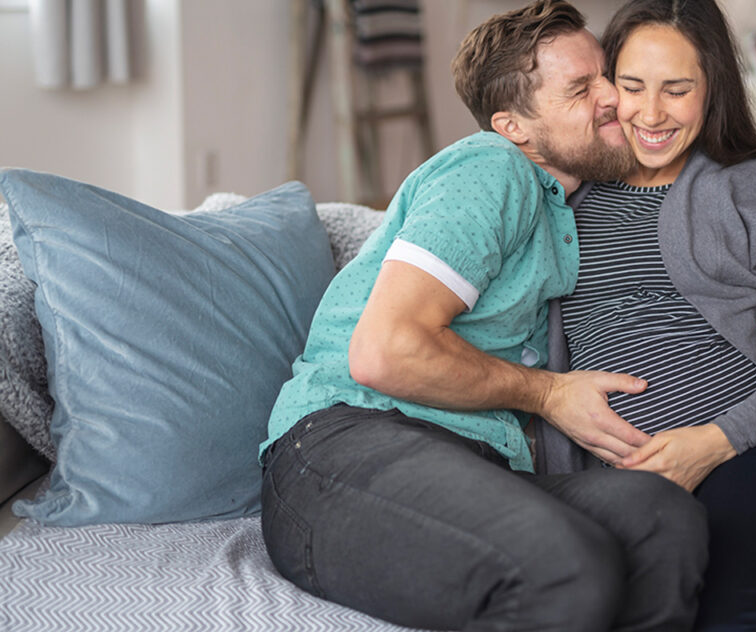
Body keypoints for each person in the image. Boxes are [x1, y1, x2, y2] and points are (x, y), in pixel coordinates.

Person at [259, 2, 719, 630]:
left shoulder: (580, 200)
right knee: (565, 565)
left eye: (607, 74)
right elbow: (385, 351)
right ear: (515, 127)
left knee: (662, 518)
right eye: (582, 88)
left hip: (476, 462)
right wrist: (550, 394)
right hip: (345, 446)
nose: (616, 97)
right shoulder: (490, 168)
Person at [539, 0, 756, 629]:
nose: (651, 114)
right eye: (632, 87)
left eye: (677, 89)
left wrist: (709, 445)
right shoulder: (566, 187)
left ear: (712, 89)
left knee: (726, 615)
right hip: (615, 478)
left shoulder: (754, 183)